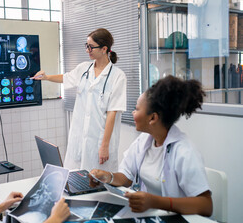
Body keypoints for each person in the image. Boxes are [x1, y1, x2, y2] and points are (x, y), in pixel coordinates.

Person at [90, 75, 213, 216]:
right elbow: (127, 176)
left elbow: (206, 206)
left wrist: (155, 202)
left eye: (137, 109)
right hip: (151, 215)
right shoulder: (144, 141)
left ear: (153, 118)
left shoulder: (184, 151)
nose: (133, 113)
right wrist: (108, 177)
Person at [33, 28, 127, 172]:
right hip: (79, 139)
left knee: (97, 184)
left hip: (99, 141)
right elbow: (66, 78)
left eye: (91, 47)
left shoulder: (117, 76)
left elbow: (112, 113)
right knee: (74, 180)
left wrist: (104, 146)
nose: (87, 50)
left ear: (104, 49)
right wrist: (46, 77)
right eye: (86, 45)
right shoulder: (84, 68)